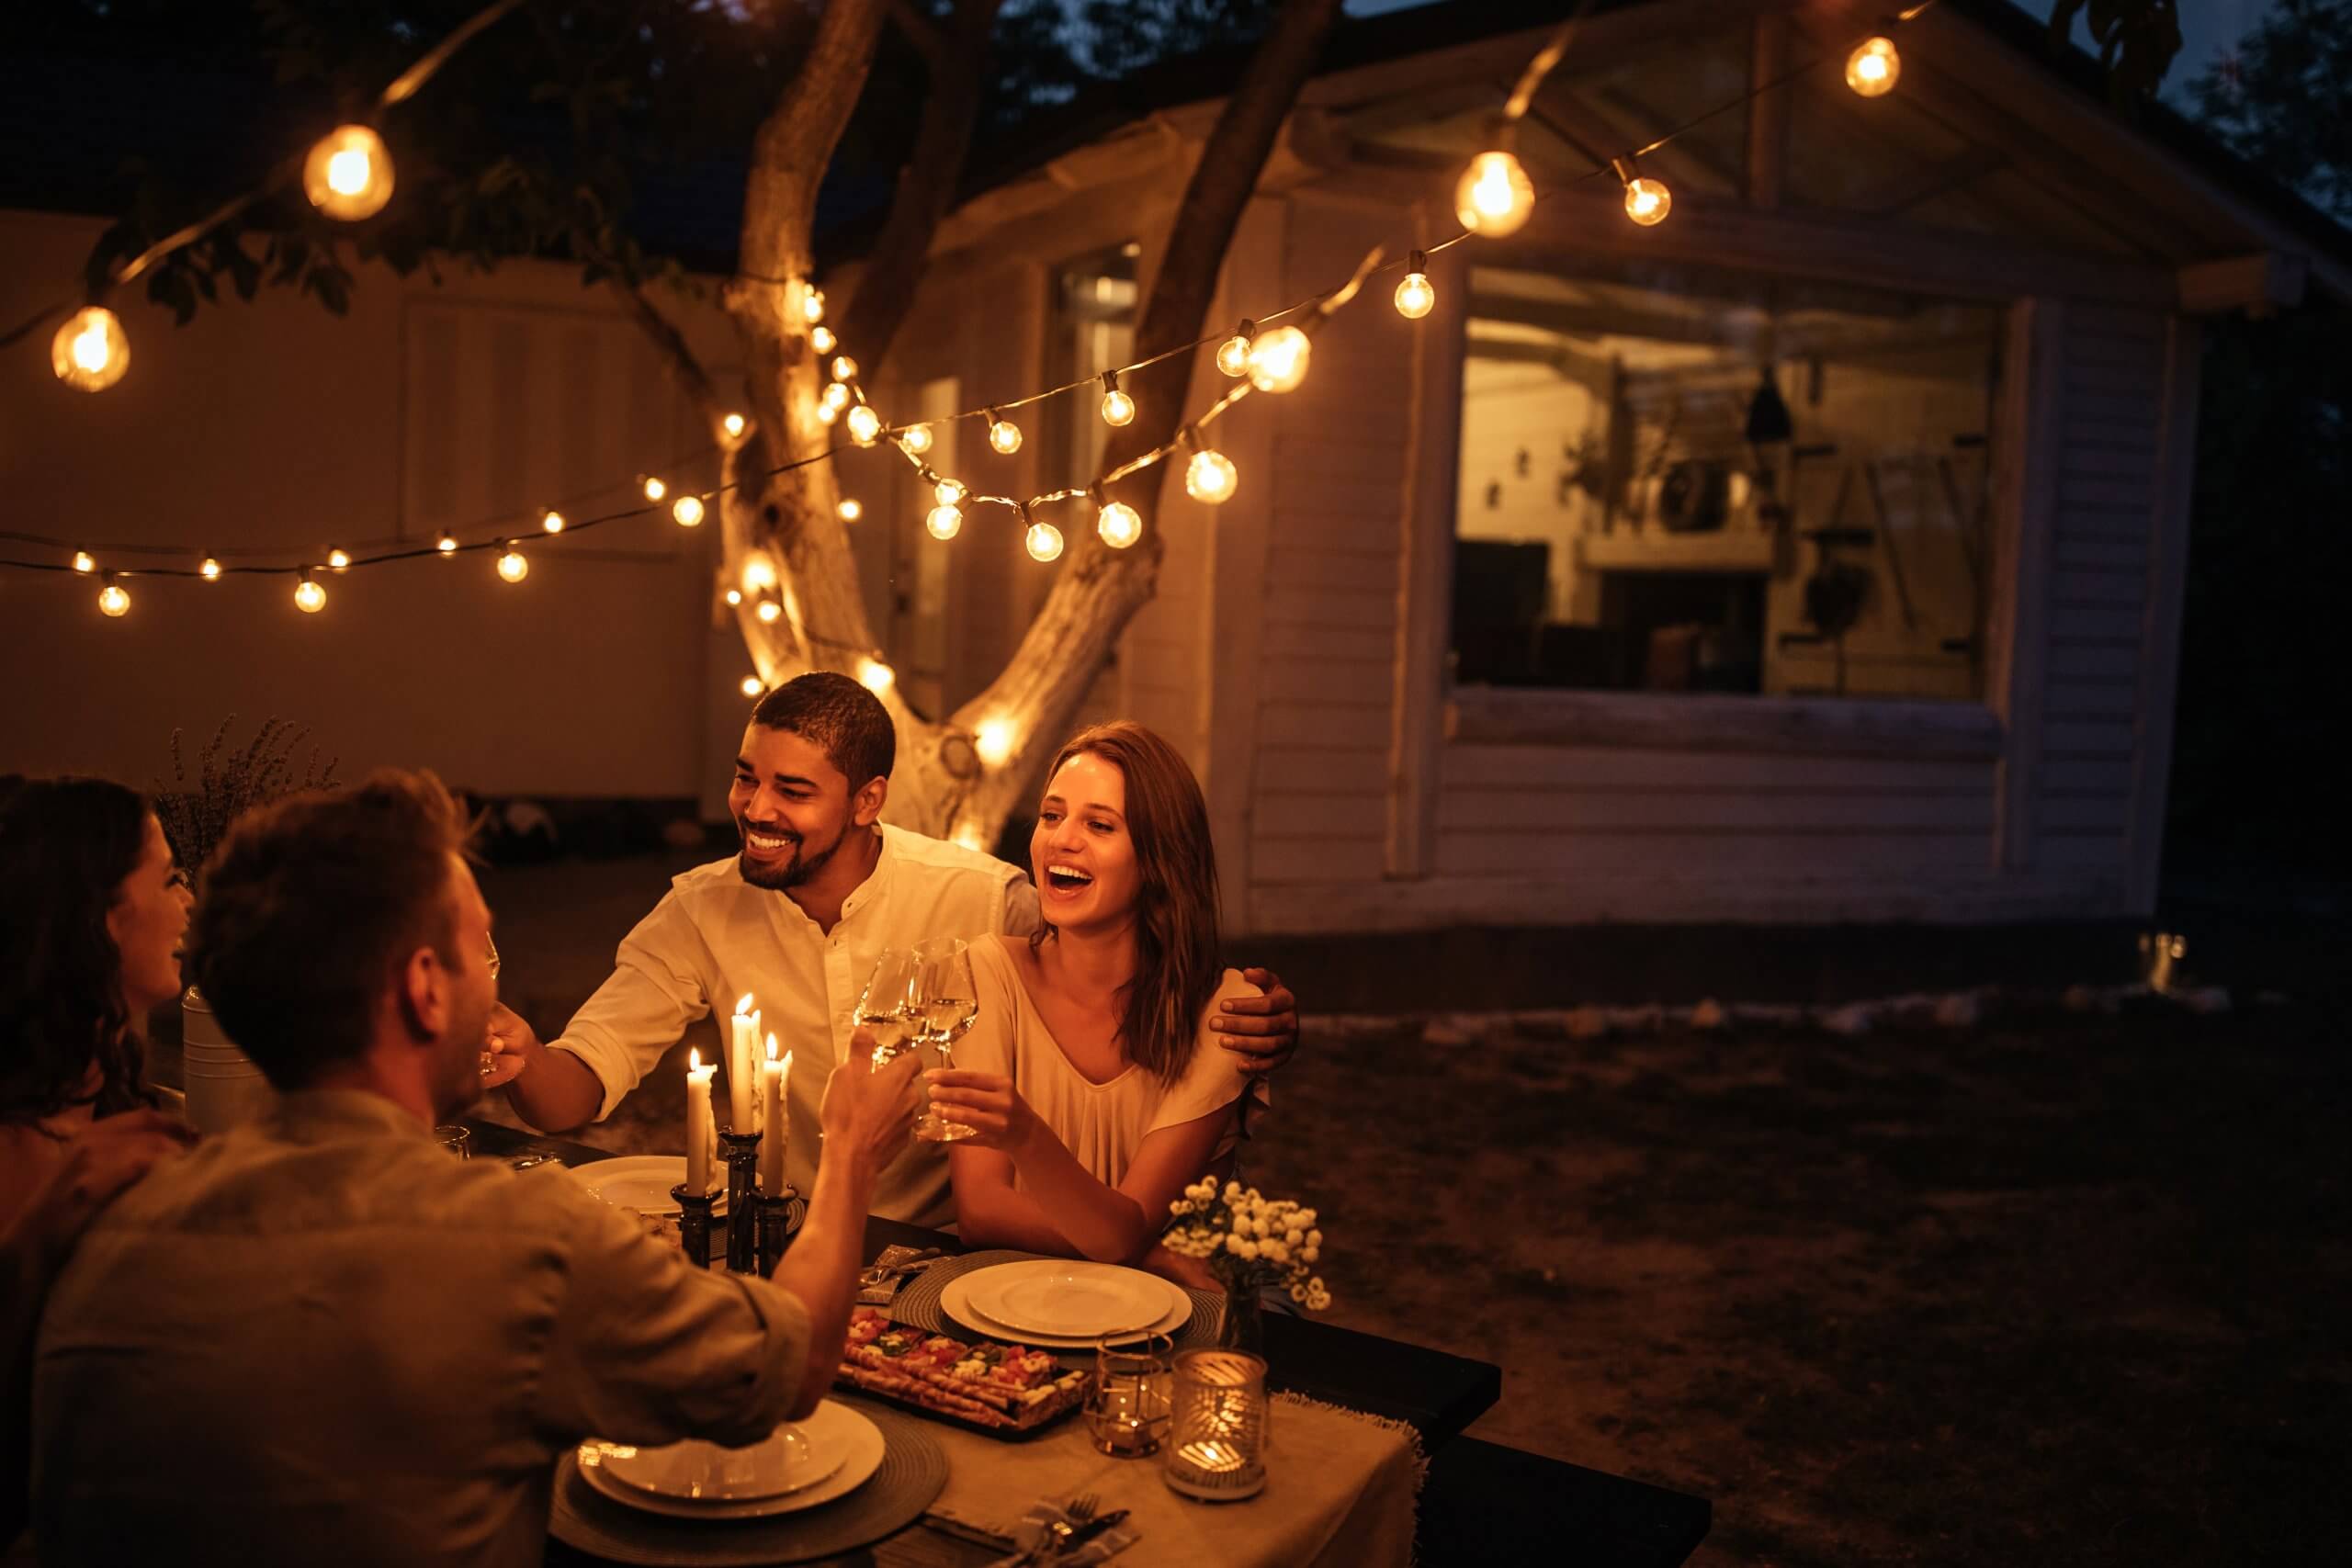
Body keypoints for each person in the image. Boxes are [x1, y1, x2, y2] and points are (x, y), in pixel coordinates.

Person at [29, 770, 920, 1567]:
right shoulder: (516, 1239)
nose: (492, 985)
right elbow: (788, 1367)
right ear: (424, 987)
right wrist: (848, 1152)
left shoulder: (115, 1227)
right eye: (479, 950)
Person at [487, 673, 1300, 1227]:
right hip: (789, 1235)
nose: (754, 809)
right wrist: (525, 1059)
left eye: (793, 791)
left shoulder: (980, 899)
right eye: (746, 778)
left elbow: (1117, 946)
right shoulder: (702, 907)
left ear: (868, 799)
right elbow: (574, 1094)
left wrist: (1249, 1009)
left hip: (947, 1252)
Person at [926, 723, 1262, 1284]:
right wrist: (1153, 1258)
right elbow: (981, 1214)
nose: (1061, 839)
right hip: (1020, 1298)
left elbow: (1122, 1229)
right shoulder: (988, 971)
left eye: (1099, 825)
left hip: (1167, 1320)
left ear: (1160, 858)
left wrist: (1026, 1137)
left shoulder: (1225, 1012)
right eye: (1051, 815)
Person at [0, 775, 199, 1550]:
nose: (190, 901)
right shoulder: (21, 1156)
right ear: (100, 917)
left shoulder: (120, 1105)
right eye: (172, 876)